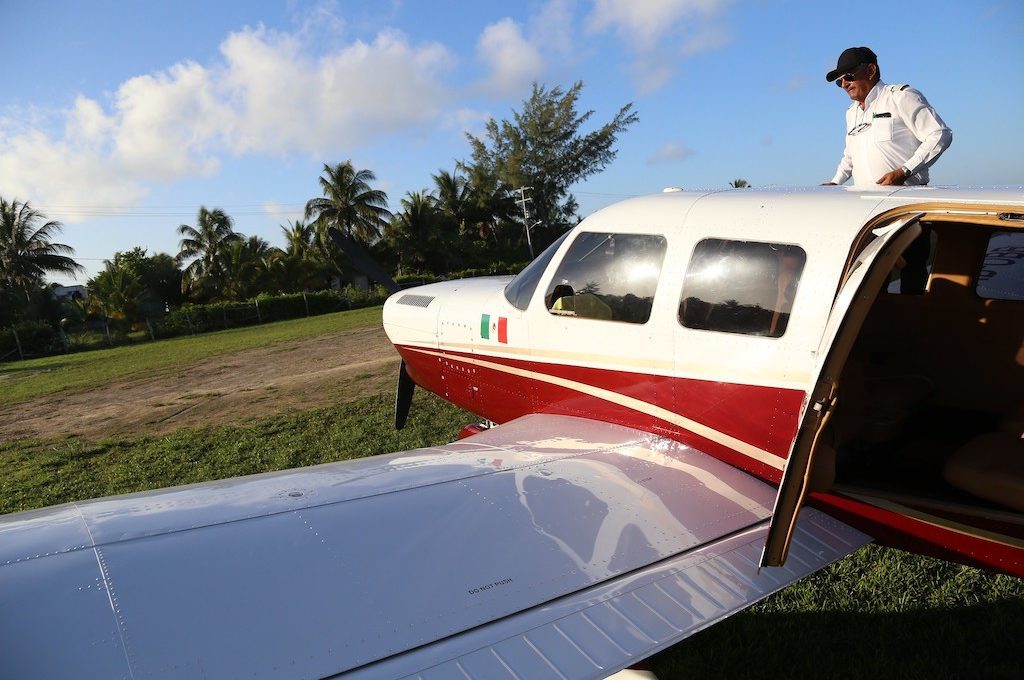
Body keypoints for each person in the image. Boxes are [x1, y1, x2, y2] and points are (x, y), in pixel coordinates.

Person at [823, 47, 952, 187]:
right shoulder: (851, 112)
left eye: (848, 76)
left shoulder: (900, 96)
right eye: (839, 81)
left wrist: (904, 171)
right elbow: (850, 156)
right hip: (864, 203)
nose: (844, 84)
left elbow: (940, 134)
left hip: (905, 199)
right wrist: (835, 182)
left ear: (871, 71)